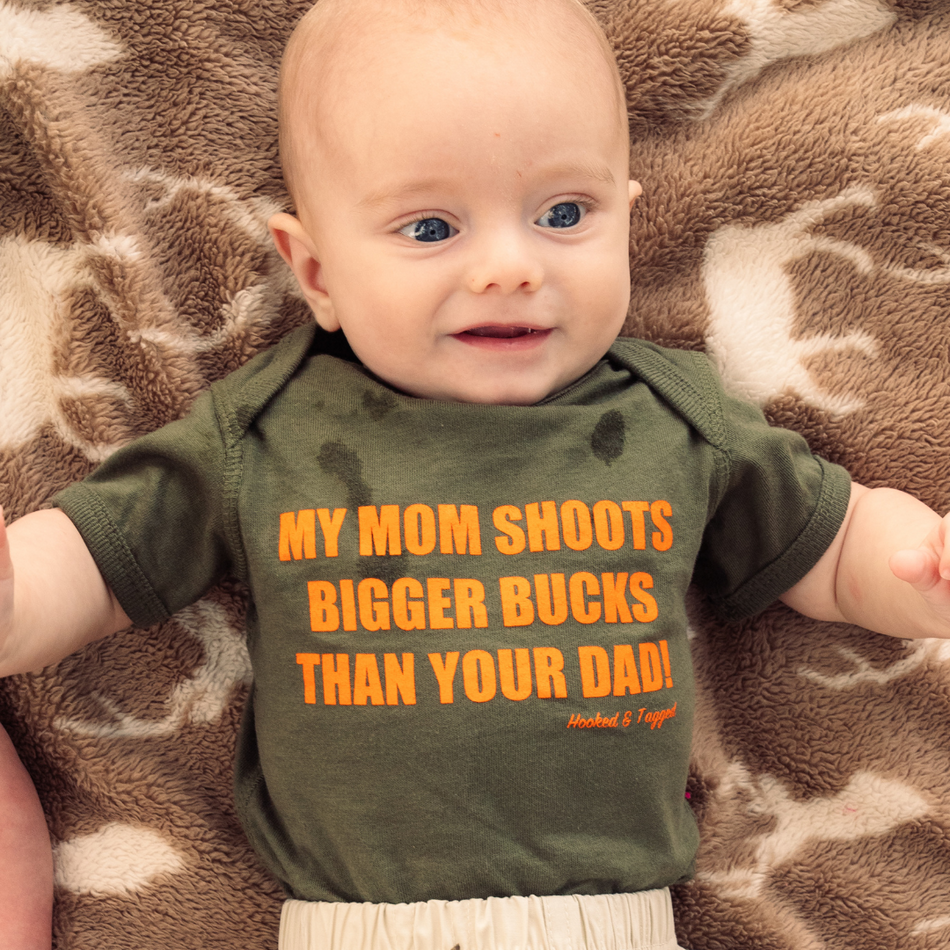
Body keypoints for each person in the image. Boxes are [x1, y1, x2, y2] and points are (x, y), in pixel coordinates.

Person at [3, 0, 950, 948]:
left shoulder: (673, 417)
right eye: (429, 228)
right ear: (317, 273)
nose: (509, 266)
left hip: (609, 923)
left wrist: (919, 569)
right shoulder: (262, 432)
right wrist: (17, 594)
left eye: (564, 215)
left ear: (625, 224)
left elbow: (831, 546)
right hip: (357, 927)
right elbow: (101, 558)